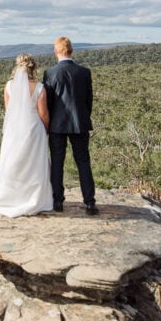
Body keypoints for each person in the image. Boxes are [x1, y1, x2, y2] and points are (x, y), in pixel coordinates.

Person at [0, 53, 54, 217]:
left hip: (15, 129)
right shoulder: (40, 88)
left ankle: (10, 196)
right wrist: (46, 129)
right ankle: (34, 197)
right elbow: (43, 114)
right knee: (34, 163)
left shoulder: (8, 86)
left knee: (12, 160)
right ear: (33, 69)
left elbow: (9, 111)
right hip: (34, 128)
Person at [43, 36, 98, 215]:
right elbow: (88, 101)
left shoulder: (50, 73)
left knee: (57, 162)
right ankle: (89, 203)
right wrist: (82, 117)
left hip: (57, 125)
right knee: (83, 162)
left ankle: (57, 201)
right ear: (71, 50)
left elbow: (48, 103)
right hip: (79, 124)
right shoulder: (84, 72)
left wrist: (50, 122)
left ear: (56, 51)